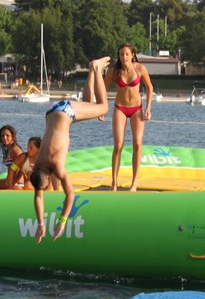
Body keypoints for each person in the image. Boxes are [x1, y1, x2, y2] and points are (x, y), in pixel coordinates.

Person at [31, 57, 110, 243]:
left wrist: (62, 222)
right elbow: (38, 196)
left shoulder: (56, 166)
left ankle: (97, 68)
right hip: (52, 112)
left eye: (46, 186)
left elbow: (71, 195)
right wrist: (40, 223)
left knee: (103, 107)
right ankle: (91, 70)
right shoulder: (38, 166)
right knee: (88, 103)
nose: (44, 190)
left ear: (48, 178)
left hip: (65, 112)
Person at [102, 43, 154, 191]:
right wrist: (101, 109)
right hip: (120, 108)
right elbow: (103, 88)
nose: (124, 57)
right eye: (121, 54)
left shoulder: (140, 68)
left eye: (126, 54)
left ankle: (134, 183)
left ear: (132, 55)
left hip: (137, 109)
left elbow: (149, 87)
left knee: (137, 143)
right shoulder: (113, 70)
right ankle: (114, 183)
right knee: (118, 145)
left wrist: (148, 109)